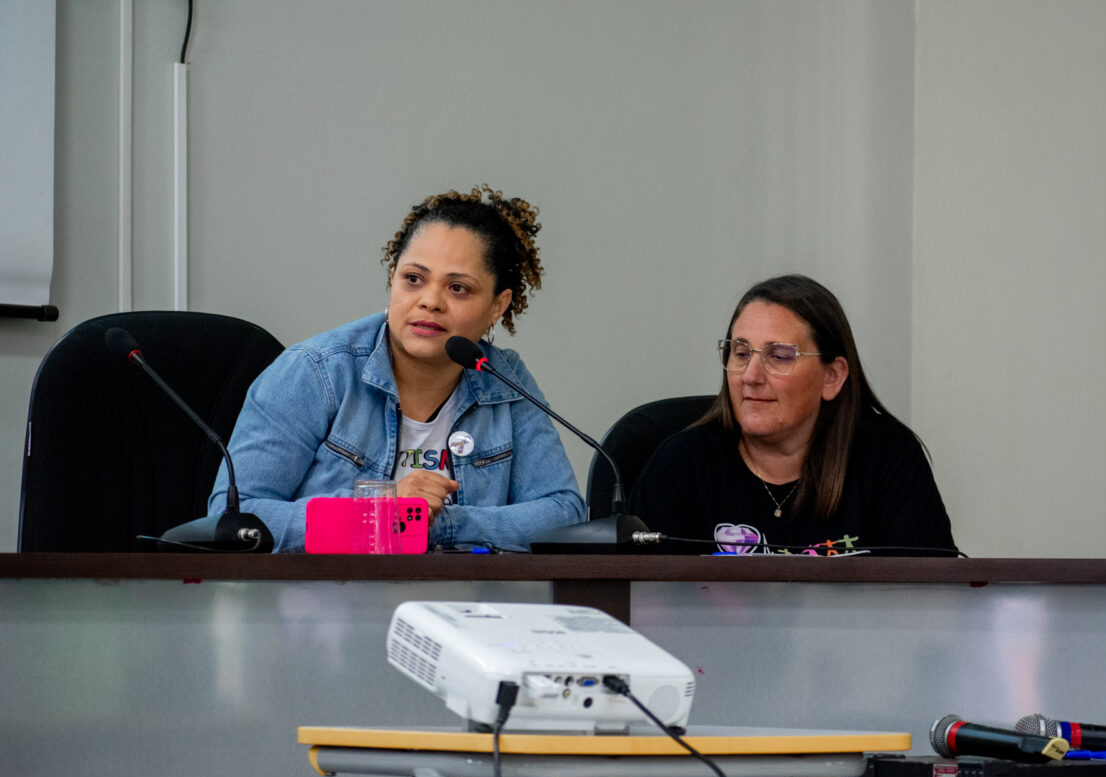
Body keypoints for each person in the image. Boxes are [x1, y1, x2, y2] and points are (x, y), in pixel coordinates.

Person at [209, 185, 585, 552]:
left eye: (458, 288)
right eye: (413, 279)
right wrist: (376, 515)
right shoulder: (316, 372)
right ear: (393, 279)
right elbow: (235, 518)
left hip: (461, 606)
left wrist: (440, 525)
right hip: (324, 605)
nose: (430, 301)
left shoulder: (504, 380)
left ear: (497, 307)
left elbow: (563, 513)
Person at [630, 274, 955, 556]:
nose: (751, 375)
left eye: (780, 356)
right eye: (741, 353)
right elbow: (641, 606)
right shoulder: (681, 468)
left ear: (833, 377)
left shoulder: (888, 459)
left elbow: (932, 604)